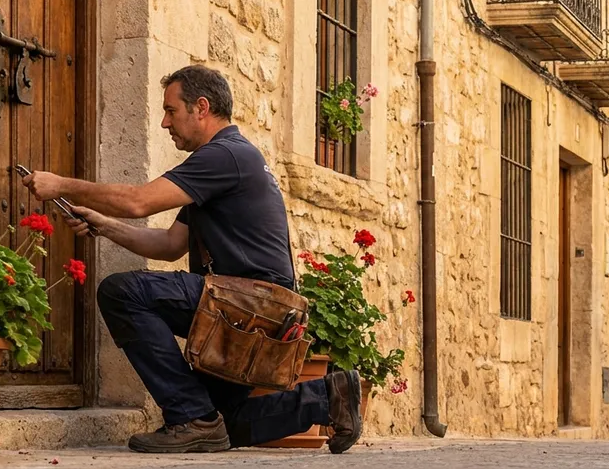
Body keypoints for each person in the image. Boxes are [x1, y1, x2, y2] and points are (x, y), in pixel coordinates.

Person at [21, 64, 362, 454]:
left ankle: (191, 418)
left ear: (201, 107)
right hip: (254, 310)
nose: (165, 123)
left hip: (251, 306)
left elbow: (138, 201)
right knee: (224, 422)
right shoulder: (226, 161)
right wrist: (104, 225)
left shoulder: (224, 155)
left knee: (121, 292)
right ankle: (328, 396)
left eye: (171, 110)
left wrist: (61, 185)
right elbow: (170, 244)